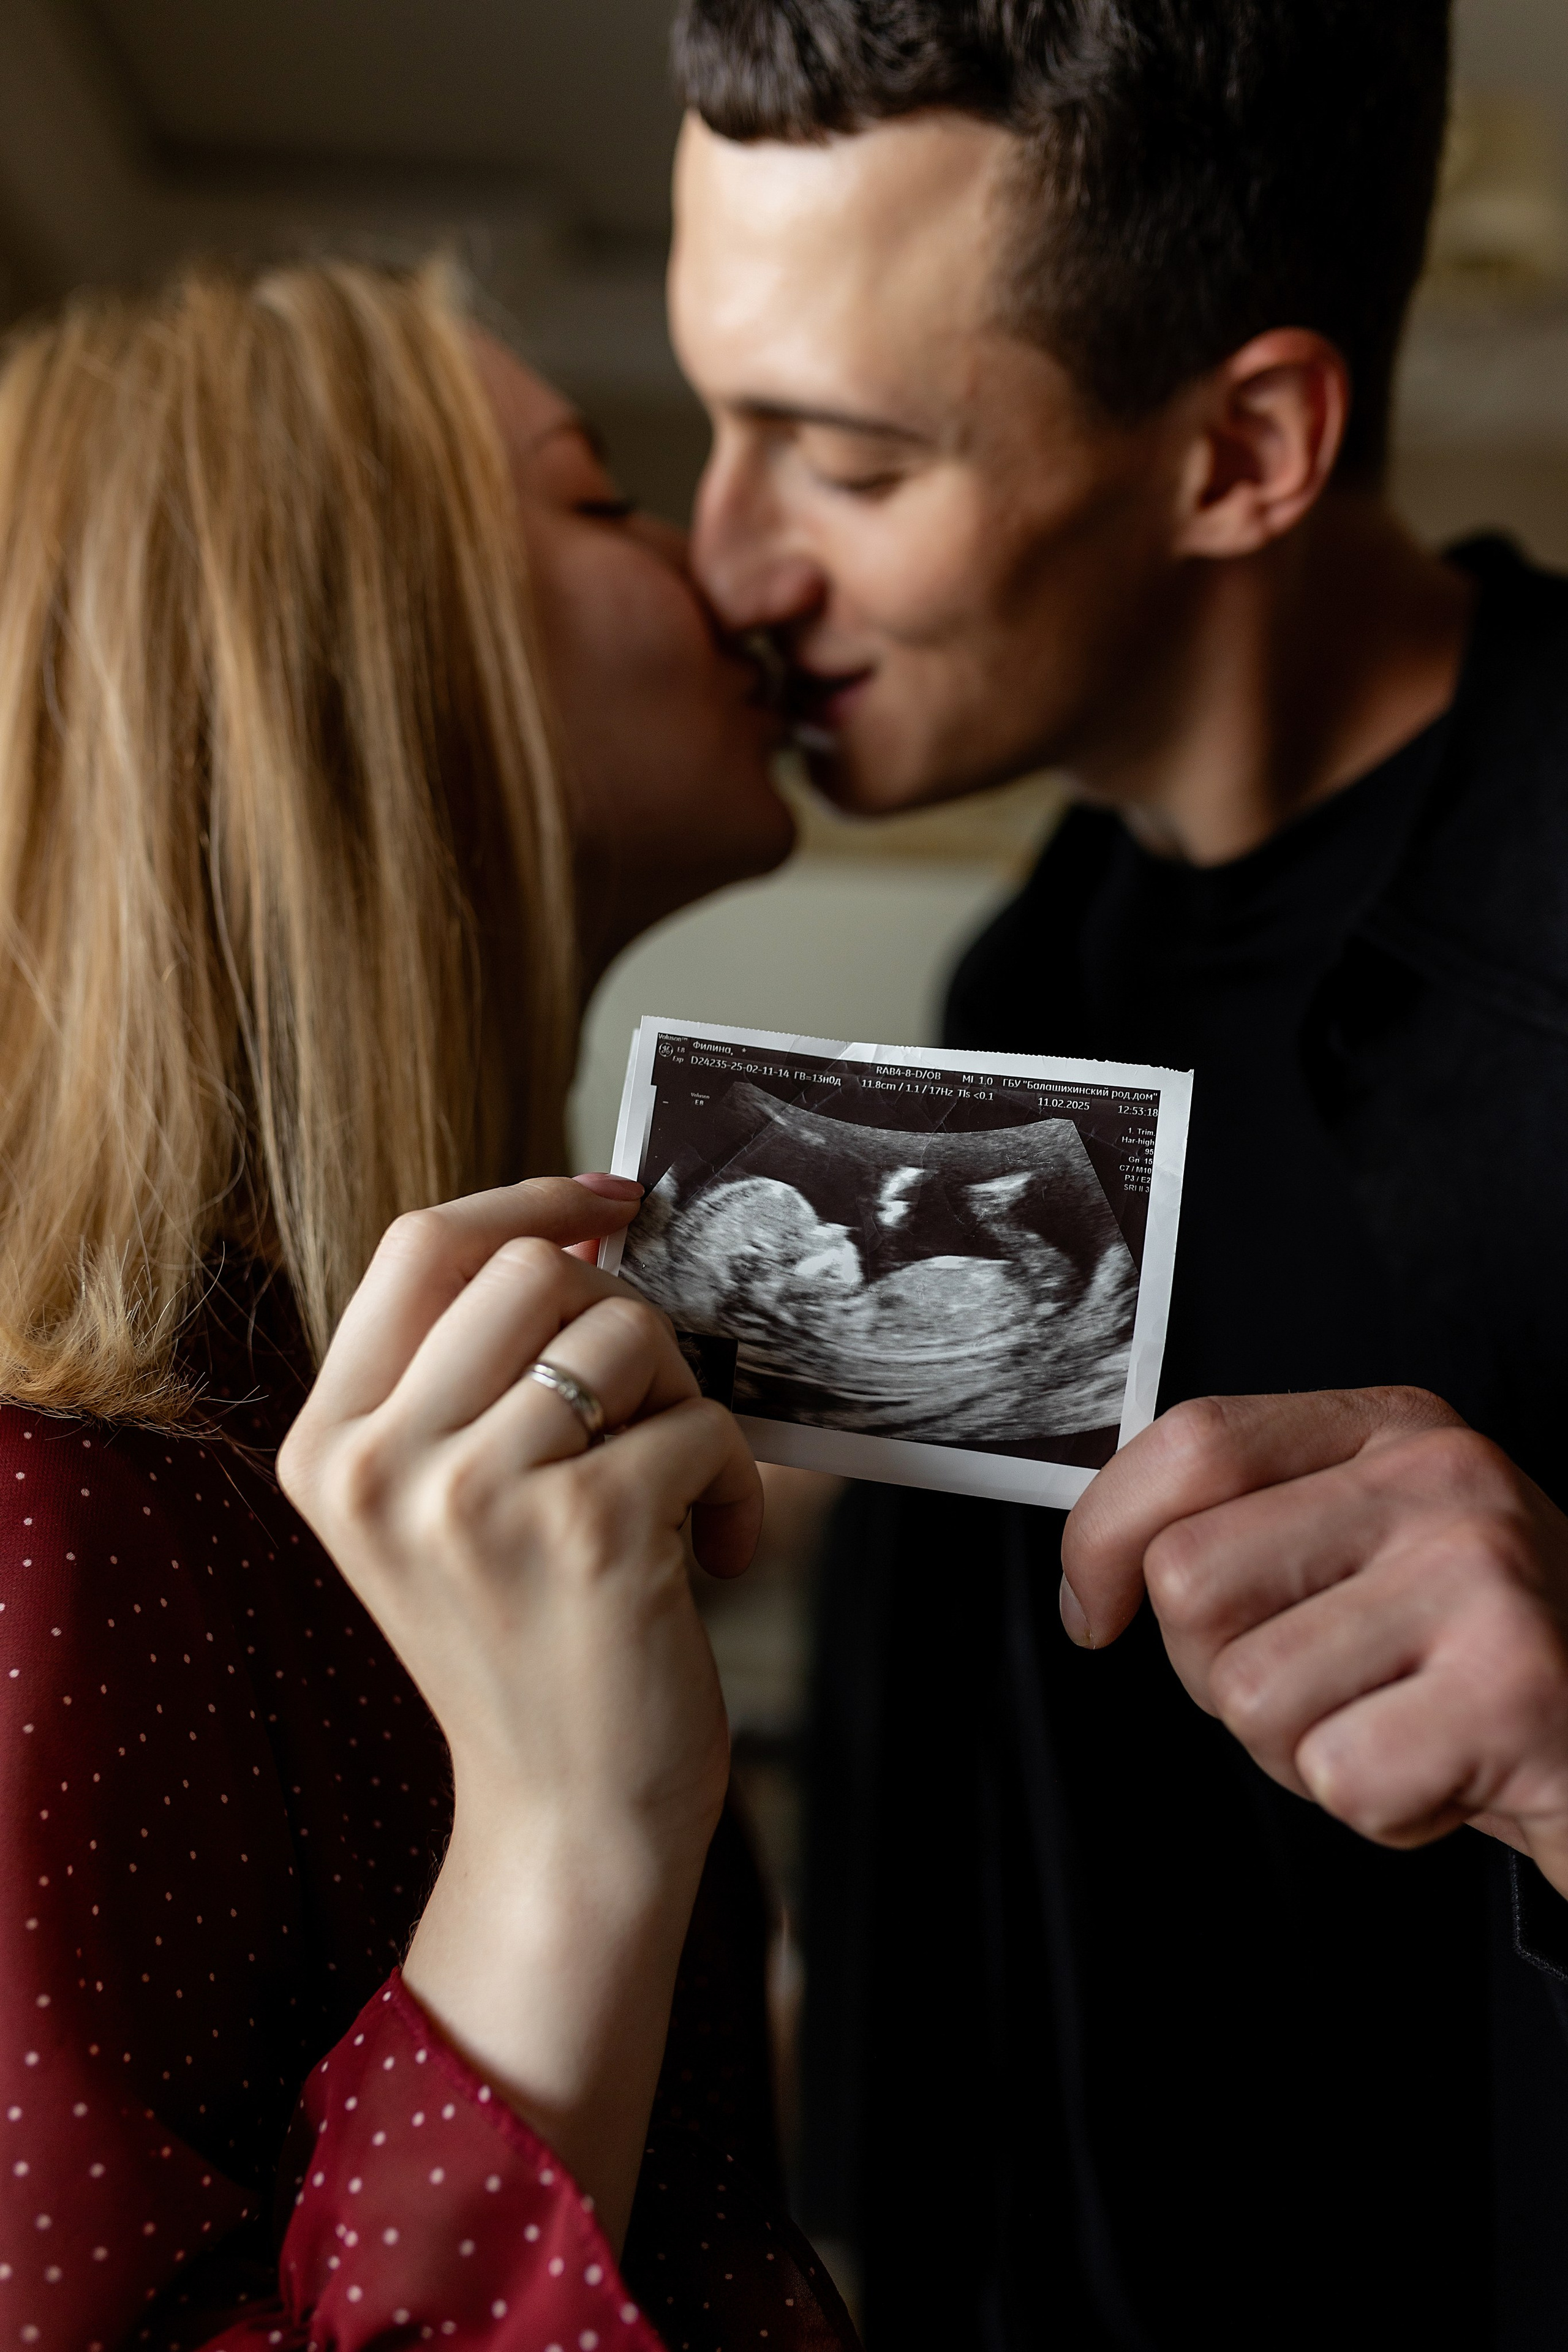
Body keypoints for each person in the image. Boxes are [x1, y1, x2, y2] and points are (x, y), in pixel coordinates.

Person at [668, 1, 1568, 2345]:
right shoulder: (1007, 984)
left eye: (848, 463)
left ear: (1247, 446)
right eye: (708, 421)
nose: (728, 559)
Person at [0, 258, 860, 2351]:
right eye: (601, 494)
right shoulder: (48, 1529)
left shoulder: (424, 1422)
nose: (729, 556)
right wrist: (567, 1834)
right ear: (354, 656)